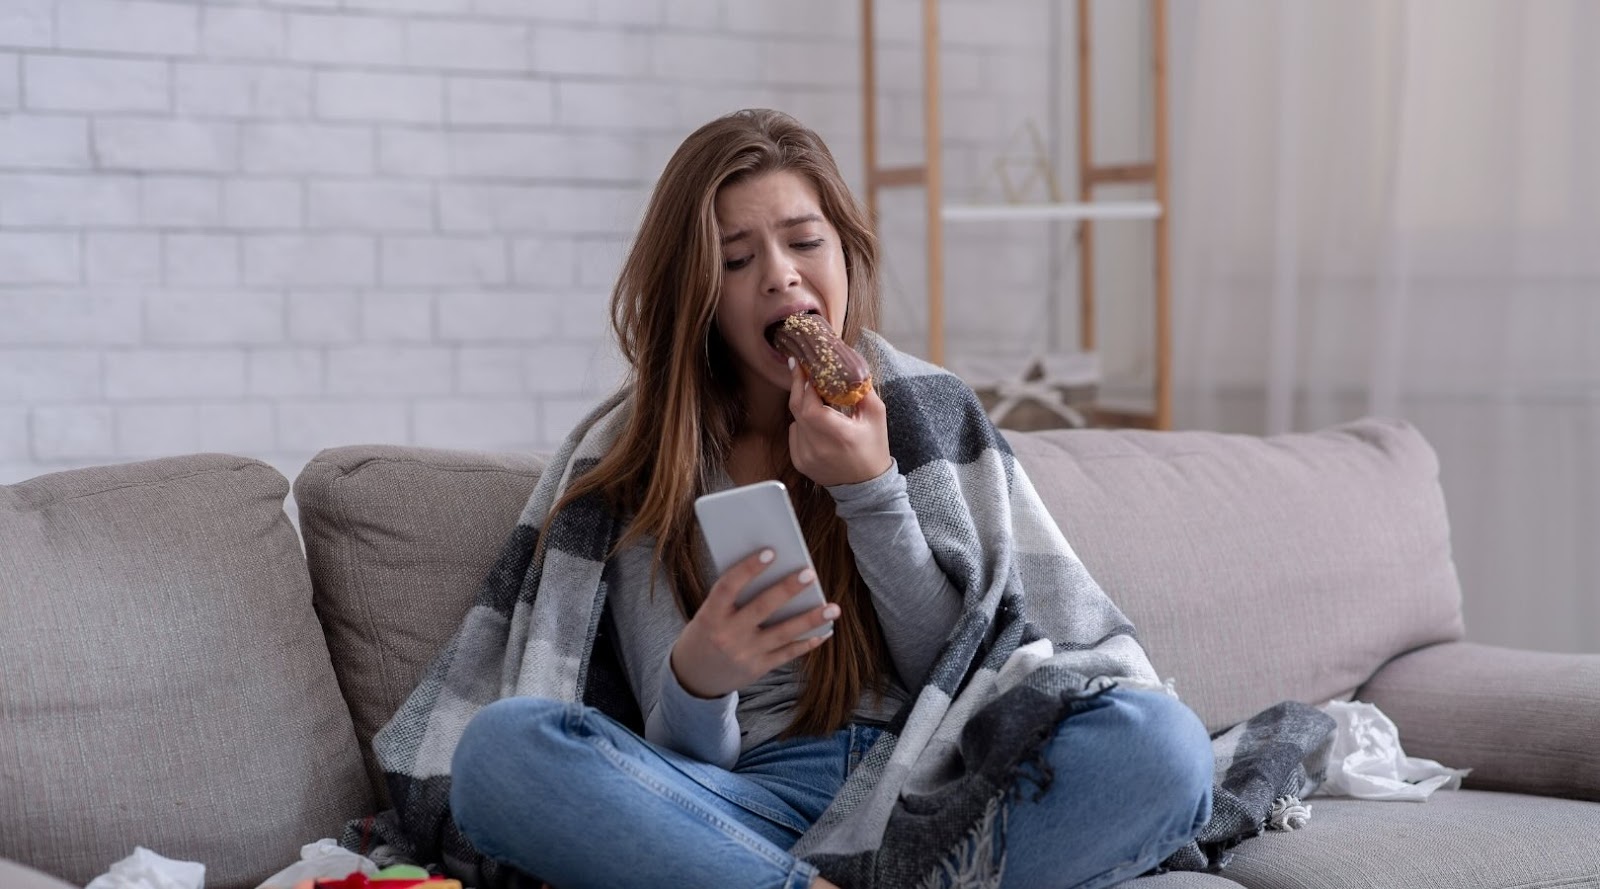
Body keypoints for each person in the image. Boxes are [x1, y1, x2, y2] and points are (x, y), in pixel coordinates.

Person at [377, 109, 1215, 889]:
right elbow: (682, 751)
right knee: (502, 753)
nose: (779, 278)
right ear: (699, 293)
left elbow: (964, 669)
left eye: (804, 242)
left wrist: (870, 492)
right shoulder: (644, 457)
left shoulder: (930, 410)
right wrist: (701, 676)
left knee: (1165, 747)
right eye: (738, 260)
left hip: (931, 783)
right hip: (740, 808)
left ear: (845, 253)